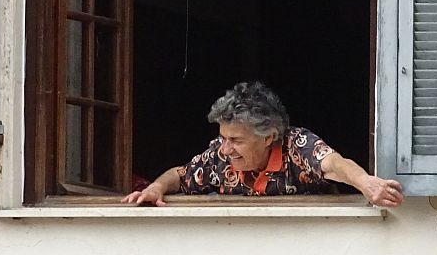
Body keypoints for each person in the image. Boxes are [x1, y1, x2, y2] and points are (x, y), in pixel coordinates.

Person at [122, 81, 403, 208]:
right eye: (223, 138)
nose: (226, 148)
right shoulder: (220, 157)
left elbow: (336, 165)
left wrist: (367, 184)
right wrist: (155, 188)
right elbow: (180, 175)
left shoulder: (298, 145)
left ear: (268, 136)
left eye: (236, 140)